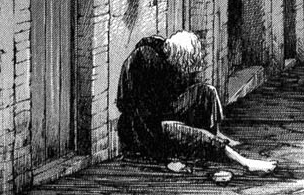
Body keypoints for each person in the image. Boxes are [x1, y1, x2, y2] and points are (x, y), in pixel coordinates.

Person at [116, 30, 276, 174]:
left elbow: (178, 91)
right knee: (196, 135)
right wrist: (167, 160)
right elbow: (144, 120)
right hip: (144, 127)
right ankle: (245, 162)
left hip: (164, 108)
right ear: (179, 57)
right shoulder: (144, 64)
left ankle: (216, 134)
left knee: (207, 91)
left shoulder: (165, 51)